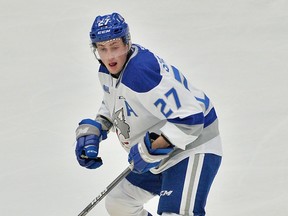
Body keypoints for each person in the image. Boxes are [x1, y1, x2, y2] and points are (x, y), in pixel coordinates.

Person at [75, 12, 223, 216]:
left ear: (127, 44)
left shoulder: (141, 73)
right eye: (102, 49)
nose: (109, 56)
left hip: (193, 147)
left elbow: (192, 119)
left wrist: (151, 148)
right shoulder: (107, 71)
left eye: (115, 47)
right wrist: (99, 126)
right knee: (120, 203)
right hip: (160, 152)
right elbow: (117, 99)